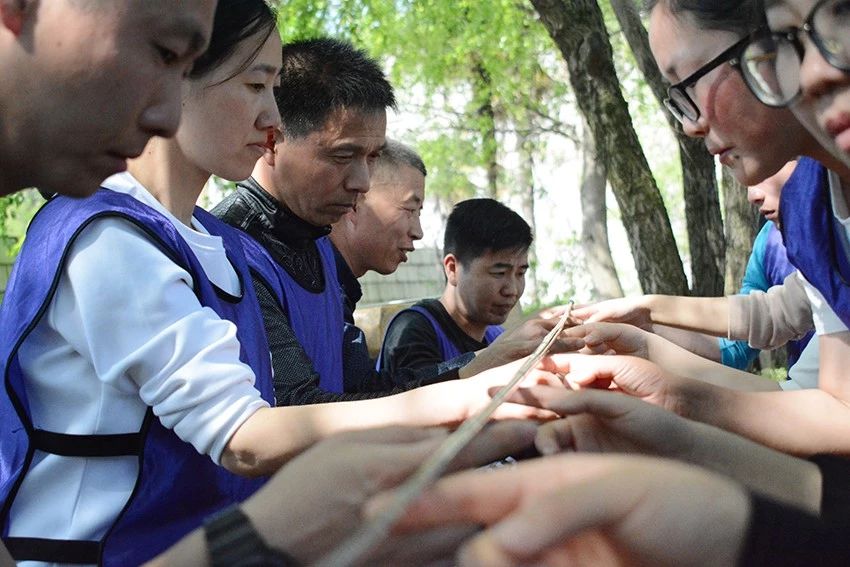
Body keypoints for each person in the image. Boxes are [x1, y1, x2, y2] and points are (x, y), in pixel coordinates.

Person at [379, 198, 560, 385]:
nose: (512, 290)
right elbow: (423, 396)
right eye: (499, 273)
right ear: (452, 268)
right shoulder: (413, 330)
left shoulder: (496, 335)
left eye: (520, 273)